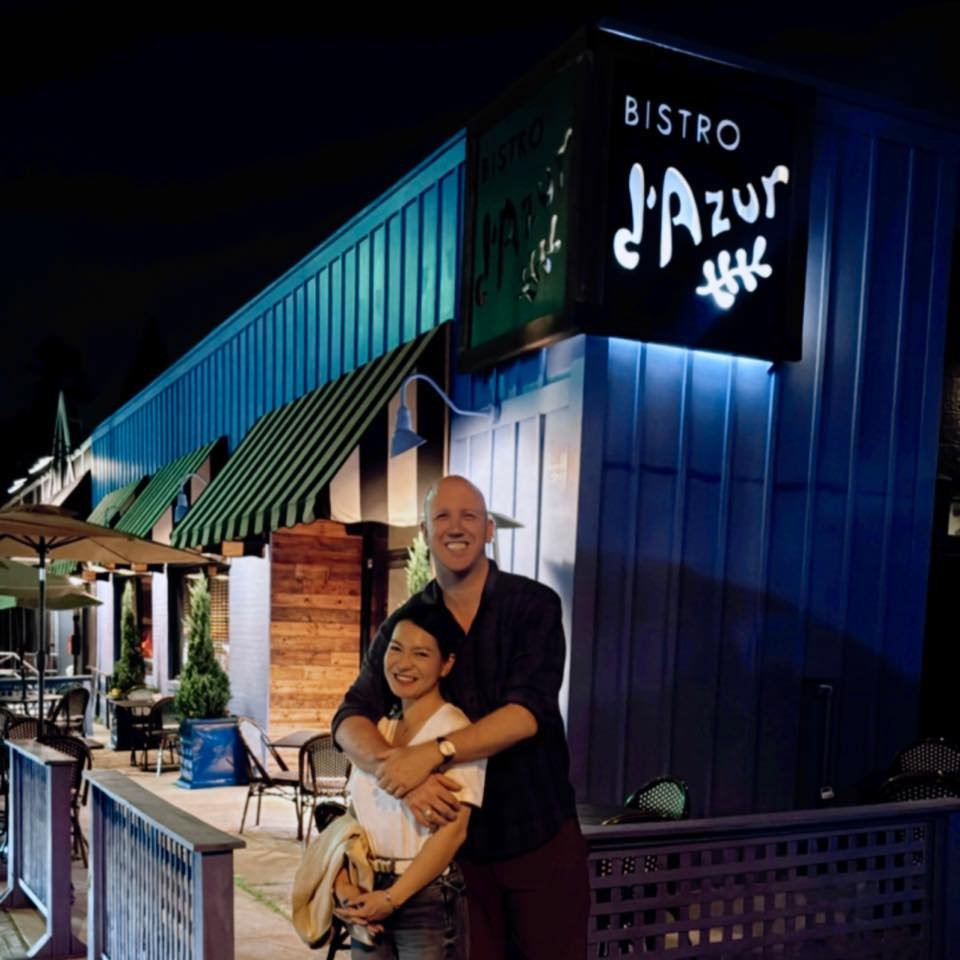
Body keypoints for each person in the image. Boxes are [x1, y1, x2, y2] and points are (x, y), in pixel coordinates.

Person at [333, 475, 589, 960]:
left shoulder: (532, 605)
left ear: (489, 529)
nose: (456, 527)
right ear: (425, 532)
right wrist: (397, 771)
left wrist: (432, 754)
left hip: (537, 834)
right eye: (442, 517)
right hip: (456, 858)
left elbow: (526, 714)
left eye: (469, 516)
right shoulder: (407, 623)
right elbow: (350, 716)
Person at [334, 606, 485, 959]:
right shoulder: (378, 729)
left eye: (421, 654)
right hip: (367, 888)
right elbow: (354, 819)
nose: (403, 664)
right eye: (396, 649)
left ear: (446, 664)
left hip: (426, 898)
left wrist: (392, 898)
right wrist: (344, 884)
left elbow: (452, 834)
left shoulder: (456, 730)